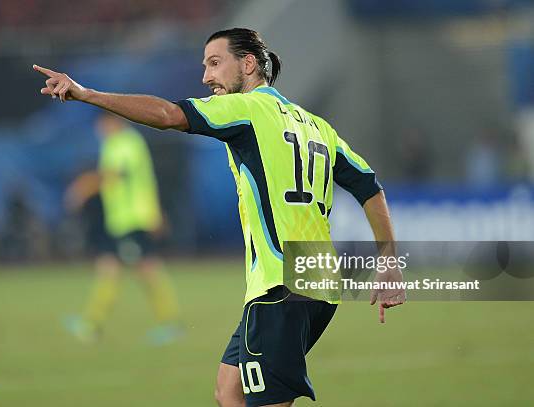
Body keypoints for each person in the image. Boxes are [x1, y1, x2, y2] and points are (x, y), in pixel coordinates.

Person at [34, 27, 405, 407]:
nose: (206, 77)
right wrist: (388, 261)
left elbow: (167, 115)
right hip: (316, 278)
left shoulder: (246, 109)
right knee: (229, 392)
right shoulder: (315, 125)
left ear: (248, 64)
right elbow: (369, 187)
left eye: (215, 63)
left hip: (281, 286)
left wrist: (87, 93)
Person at [63, 112, 182, 345]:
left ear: (114, 121)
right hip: (121, 221)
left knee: (146, 269)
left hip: (133, 221)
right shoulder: (115, 143)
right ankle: (91, 324)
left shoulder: (127, 143)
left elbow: (116, 174)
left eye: (102, 125)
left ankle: (171, 324)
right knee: (111, 268)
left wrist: (84, 186)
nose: (100, 130)